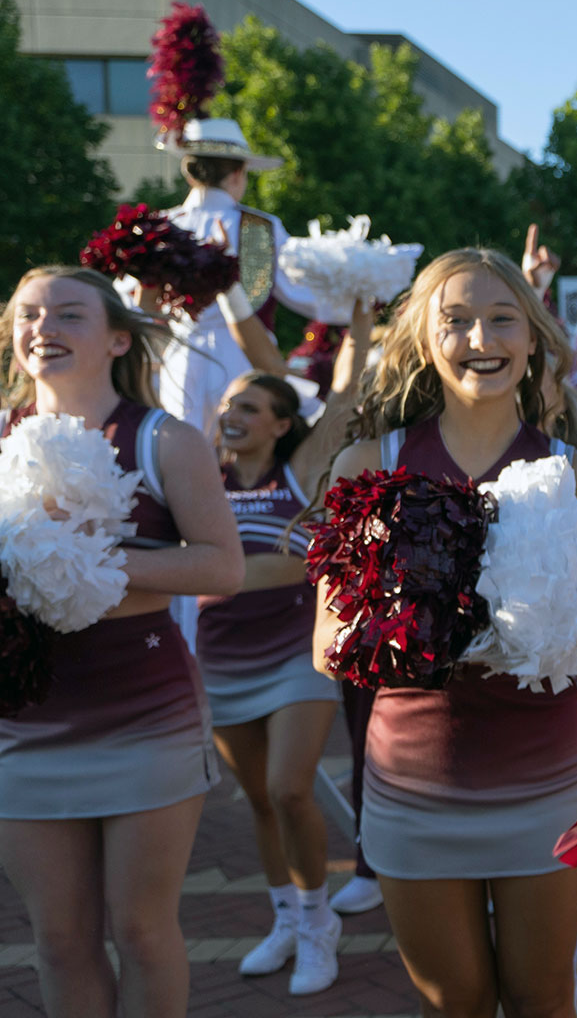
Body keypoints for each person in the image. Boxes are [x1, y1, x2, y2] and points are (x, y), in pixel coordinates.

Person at [308, 249, 577, 1018]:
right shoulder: (369, 463)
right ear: (423, 339)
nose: (480, 337)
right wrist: (425, 628)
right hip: (414, 789)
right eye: (455, 320)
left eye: (501, 318)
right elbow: (327, 648)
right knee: (454, 1004)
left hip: (543, 786)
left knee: (543, 999)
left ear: (535, 338)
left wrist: (512, 630)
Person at [0, 266, 244, 1018]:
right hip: (22, 721)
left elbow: (223, 565)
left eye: (68, 315)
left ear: (114, 338)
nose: (44, 328)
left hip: (146, 718)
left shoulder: (162, 438)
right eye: (29, 316)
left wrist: (85, 564)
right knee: (60, 939)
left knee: (140, 930)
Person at [202, 300, 371, 995]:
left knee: (289, 788)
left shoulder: (300, 473)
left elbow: (346, 400)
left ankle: (316, 925)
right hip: (222, 658)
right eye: (228, 404)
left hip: (293, 654)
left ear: (279, 423)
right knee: (259, 802)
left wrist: (359, 333)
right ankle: (286, 918)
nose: (234, 413)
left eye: (252, 405)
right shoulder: (198, 479)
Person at [143, 117, 322, 432]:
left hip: (179, 358)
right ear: (238, 173)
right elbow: (303, 295)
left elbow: (136, 303)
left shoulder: (159, 226)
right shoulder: (260, 227)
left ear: (189, 171)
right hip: (246, 357)